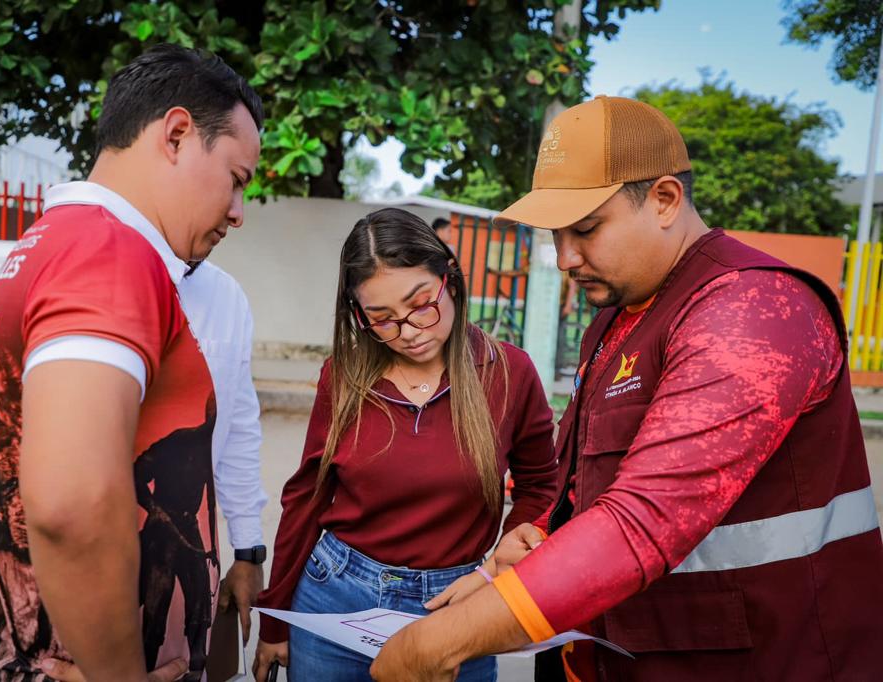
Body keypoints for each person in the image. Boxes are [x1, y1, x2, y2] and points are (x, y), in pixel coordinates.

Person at [370, 95, 883, 681]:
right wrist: (537, 543)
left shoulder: (752, 310)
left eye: (586, 229)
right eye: (556, 234)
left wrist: (442, 640)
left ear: (664, 199)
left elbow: (643, 518)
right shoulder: (619, 317)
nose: (564, 257)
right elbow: (586, 488)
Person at [0, 44, 263, 681]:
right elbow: (74, 505)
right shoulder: (110, 253)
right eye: (236, 178)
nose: (237, 210)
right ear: (176, 135)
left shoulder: (55, 240)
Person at [252, 207, 559, 681]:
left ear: (449, 279)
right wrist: (274, 619)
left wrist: (494, 571)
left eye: (420, 305)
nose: (409, 331)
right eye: (382, 319)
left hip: (457, 605)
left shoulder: (509, 373)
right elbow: (305, 498)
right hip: (334, 598)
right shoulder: (345, 375)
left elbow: (542, 485)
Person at [0, 258, 270, 679]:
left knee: (186, 630)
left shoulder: (226, 298)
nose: (236, 213)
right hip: (51, 573)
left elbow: (238, 431)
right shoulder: (66, 271)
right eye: (234, 187)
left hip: (185, 549)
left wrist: (248, 550)